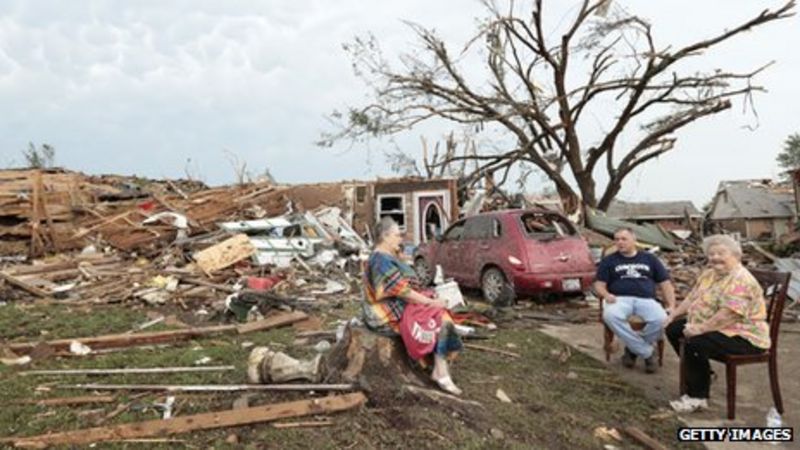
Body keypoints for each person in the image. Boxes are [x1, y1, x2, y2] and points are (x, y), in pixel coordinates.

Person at [665, 235, 770, 413]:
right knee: (674, 329)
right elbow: (692, 297)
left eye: (721, 253)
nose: (715, 258)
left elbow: (728, 315)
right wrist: (673, 315)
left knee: (695, 342)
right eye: (712, 254)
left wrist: (700, 329)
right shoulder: (710, 274)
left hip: (744, 335)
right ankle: (705, 374)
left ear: (736, 255)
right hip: (718, 328)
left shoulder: (741, 279)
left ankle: (697, 397)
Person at [361, 217, 465, 395]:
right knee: (440, 315)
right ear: (385, 236)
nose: (400, 238)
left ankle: (439, 369)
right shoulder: (380, 260)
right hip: (384, 313)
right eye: (397, 235)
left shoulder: (388, 256)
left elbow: (407, 286)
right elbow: (403, 292)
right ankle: (441, 371)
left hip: (399, 305)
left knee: (441, 312)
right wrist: (431, 302)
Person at [595, 227, 676, 373]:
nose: (620, 242)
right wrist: (606, 295)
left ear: (634, 240)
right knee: (610, 315)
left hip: (646, 300)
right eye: (617, 239)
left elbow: (666, 284)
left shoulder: (650, 259)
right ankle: (647, 352)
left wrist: (671, 305)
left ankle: (632, 350)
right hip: (619, 299)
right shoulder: (609, 261)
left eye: (624, 239)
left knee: (662, 319)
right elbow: (599, 285)